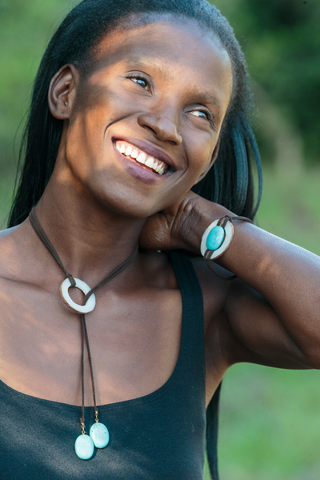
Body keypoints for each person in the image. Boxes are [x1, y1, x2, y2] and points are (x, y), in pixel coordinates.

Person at [1, 0, 319, 478]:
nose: (166, 126)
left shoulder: (204, 306)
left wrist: (201, 223)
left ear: (207, 160)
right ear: (66, 92)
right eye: (141, 81)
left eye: (199, 113)